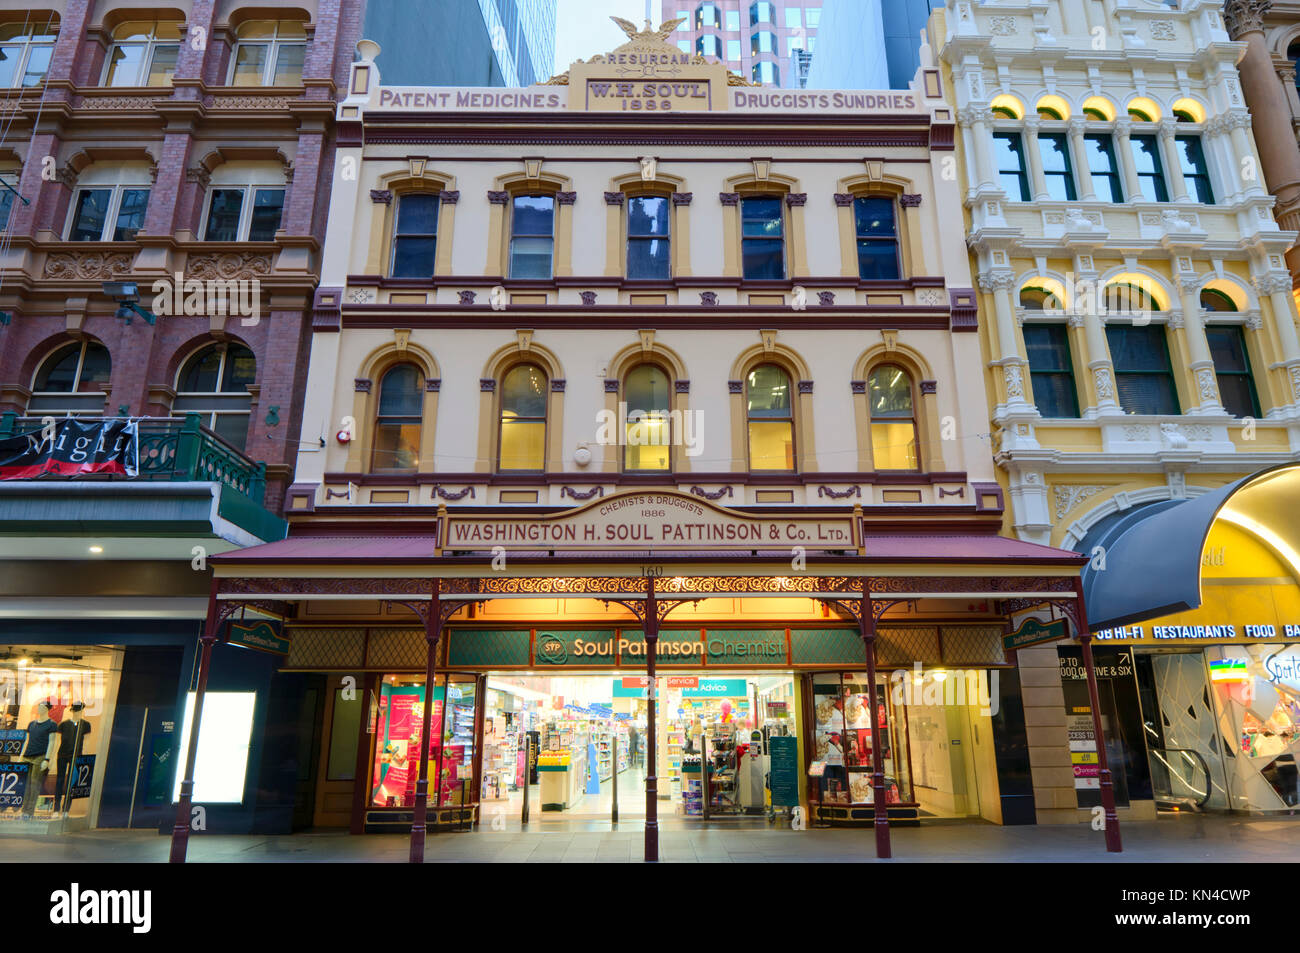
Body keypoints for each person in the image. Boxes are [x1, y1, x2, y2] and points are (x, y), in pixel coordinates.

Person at [822, 732, 846, 802]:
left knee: (839, 784)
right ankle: (828, 799)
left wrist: (836, 743)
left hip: (838, 763)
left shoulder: (837, 739)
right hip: (828, 762)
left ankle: (837, 798)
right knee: (828, 785)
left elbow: (842, 751)